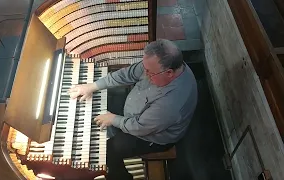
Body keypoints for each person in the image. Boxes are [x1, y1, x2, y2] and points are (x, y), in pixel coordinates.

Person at [68, 39, 198, 180]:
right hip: (138, 113)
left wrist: (113, 119)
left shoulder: (171, 103)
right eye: (144, 67)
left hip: (153, 137)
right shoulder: (156, 66)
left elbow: (140, 127)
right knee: (104, 100)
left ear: (169, 73)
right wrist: (92, 86)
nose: (145, 73)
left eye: (149, 72)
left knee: (106, 152)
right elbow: (127, 74)